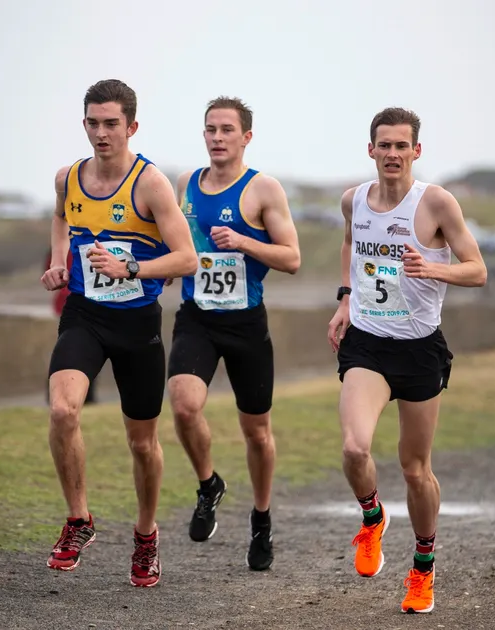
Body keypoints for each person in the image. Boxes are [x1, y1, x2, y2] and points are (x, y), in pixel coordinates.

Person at [326, 107, 487, 614]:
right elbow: (353, 244)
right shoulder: (354, 200)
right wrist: (347, 298)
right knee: (355, 449)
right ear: (370, 149)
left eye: (402, 145)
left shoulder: (436, 203)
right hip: (368, 344)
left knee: (415, 470)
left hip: (419, 348)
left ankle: (422, 568)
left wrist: (434, 271)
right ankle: (372, 518)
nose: (392, 154)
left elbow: (478, 270)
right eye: (384, 145)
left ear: (417, 151)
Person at [40, 78, 198, 588]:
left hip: (137, 324)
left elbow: (187, 258)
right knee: (64, 409)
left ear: (131, 126)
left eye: (111, 124)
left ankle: (146, 534)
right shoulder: (68, 178)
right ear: (83, 124)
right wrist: (60, 263)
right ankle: (79, 520)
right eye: (93, 122)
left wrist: (130, 270)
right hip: (85, 315)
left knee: (142, 443)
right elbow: (63, 221)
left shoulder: (150, 184)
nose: (101, 132)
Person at [166, 96, 301, 571]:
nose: (217, 138)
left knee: (258, 434)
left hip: (245, 323)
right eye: (210, 129)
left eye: (226, 130)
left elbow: (292, 259)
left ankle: (261, 520)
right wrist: (165, 268)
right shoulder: (186, 183)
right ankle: (209, 484)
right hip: (197, 316)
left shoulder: (263, 190)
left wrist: (244, 240)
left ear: (246, 137)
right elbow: (183, 243)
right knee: (183, 405)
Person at [42, 248, 95, 406]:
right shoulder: (63, 247)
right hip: (70, 305)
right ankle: (69, 396)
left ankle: (82, 396)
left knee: (78, 352)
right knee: (71, 352)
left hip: (76, 302)